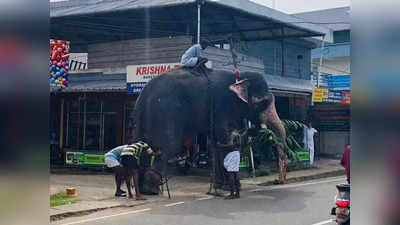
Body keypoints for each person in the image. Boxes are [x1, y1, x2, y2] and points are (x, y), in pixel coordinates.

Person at [217, 124, 242, 199]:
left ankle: (232, 193)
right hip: (237, 153)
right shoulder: (238, 134)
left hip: (232, 153)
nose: (226, 129)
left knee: (231, 173)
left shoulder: (232, 134)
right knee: (236, 173)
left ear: (230, 127)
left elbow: (230, 146)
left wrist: (220, 145)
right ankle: (237, 193)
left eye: (227, 128)